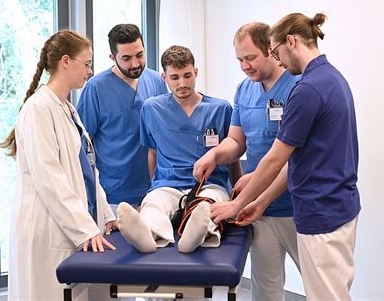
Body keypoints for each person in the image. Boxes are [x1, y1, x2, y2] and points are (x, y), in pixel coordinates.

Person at [209, 13, 361, 301]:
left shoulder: (306, 88)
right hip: (333, 204)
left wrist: (239, 203)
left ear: (289, 42)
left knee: (326, 295)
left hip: (318, 209)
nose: (279, 60)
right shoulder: (331, 78)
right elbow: (309, 153)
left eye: (276, 52)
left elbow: (277, 158)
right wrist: (257, 191)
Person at [0, 30, 116, 300]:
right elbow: (49, 178)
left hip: (70, 225)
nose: (89, 71)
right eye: (86, 64)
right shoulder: (38, 108)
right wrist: (86, 229)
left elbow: (87, 170)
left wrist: (106, 214)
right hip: (46, 228)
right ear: (66, 61)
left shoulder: (67, 108)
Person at [193, 22, 301, 301]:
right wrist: (214, 154)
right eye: (239, 59)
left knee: (319, 285)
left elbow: (295, 154)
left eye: (250, 58)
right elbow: (236, 141)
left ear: (271, 49)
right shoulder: (244, 89)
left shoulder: (298, 86)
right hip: (258, 209)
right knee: (265, 289)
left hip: (298, 206)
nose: (244, 66)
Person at [116, 45, 242, 253]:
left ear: (196, 73)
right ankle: (146, 235)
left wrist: (237, 193)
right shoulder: (151, 108)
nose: (182, 83)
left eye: (187, 76)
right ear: (164, 77)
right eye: (175, 78)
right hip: (168, 184)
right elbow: (152, 154)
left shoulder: (220, 109)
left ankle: (195, 234)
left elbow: (232, 155)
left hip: (209, 184)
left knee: (208, 206)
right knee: (154, 205)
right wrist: (152, 188)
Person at [77, 24, 168, 215]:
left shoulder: (157, 81)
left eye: (140, 55)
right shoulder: (96, 88)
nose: (135, 64)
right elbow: (82, 145)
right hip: (112, 197)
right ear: (112, 57)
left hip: (155, 193)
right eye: (126, 58)